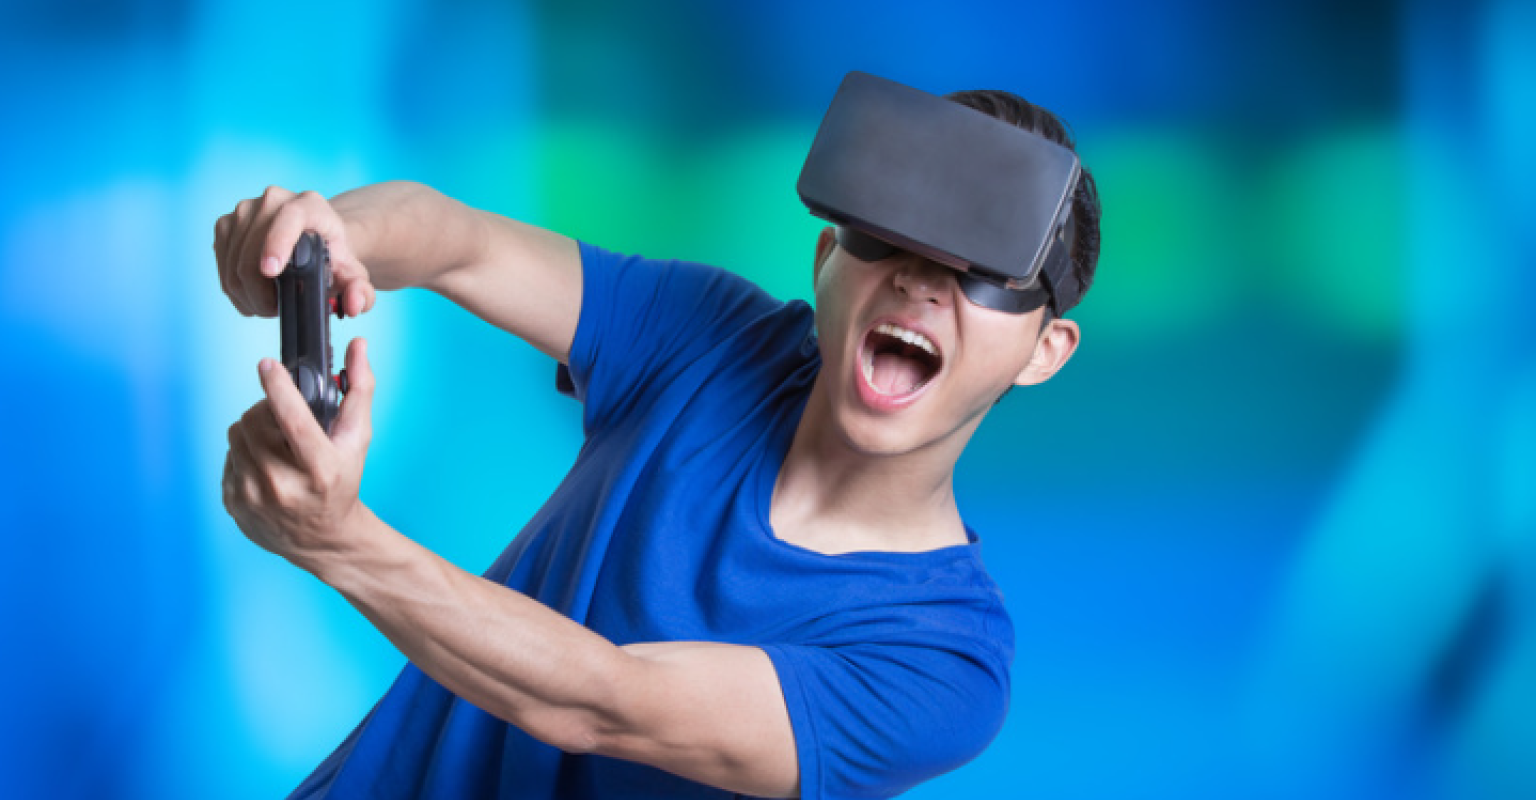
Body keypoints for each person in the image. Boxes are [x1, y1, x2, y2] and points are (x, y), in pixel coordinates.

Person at [216, 85, 1102, 799]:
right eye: (890, 235)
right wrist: (329, 241)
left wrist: (343, 544)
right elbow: (458, 242)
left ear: (1044, 351)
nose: (918, 279)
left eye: (982, 275)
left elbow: (605, 704)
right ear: (827, 256)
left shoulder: (941, 664)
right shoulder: (711, 339)